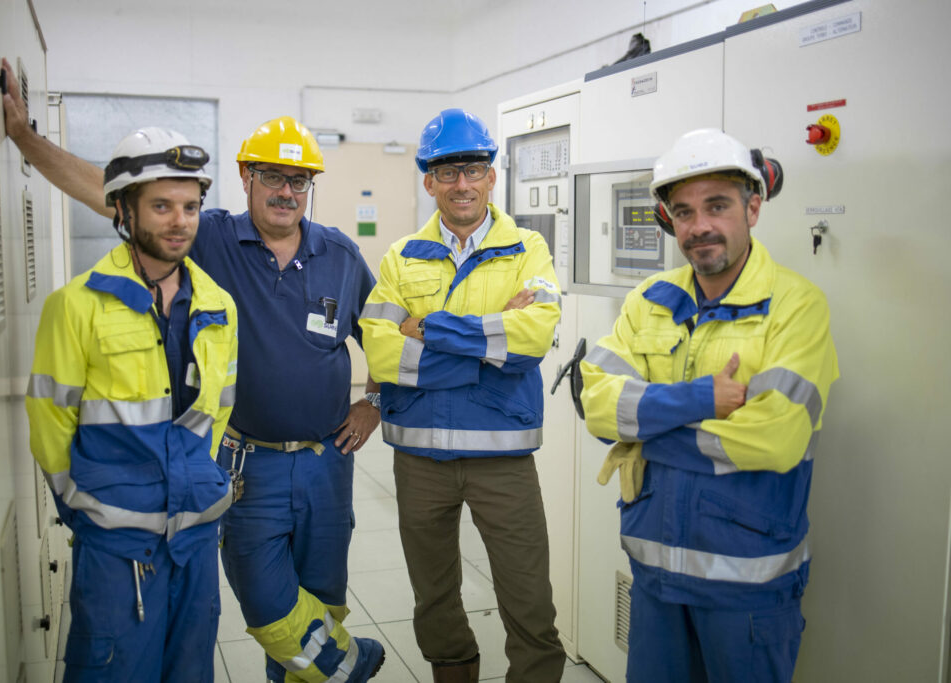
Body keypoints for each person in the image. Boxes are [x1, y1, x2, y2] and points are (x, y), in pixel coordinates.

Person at [2, 58, 386, 682]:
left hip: (326, 464)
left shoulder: (339, 253)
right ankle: (345, 666)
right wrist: (25, 139)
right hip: (244, 465)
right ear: (245, 176)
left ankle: (317, 669)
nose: (287, 191)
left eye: (300, 180)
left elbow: (386, 334)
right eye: (272, 177)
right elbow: (107, 187)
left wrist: (378, 400)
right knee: (266, 600)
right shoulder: (205, 235)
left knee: (324, 596)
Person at [579, 128, 839, 682]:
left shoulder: (796, 307)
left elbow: (774, 439)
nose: (699, 226)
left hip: (747, 583)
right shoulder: (650, 300)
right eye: (684, 211)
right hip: (654, 572)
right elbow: (596, 404)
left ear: (752, 207)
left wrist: (644, 427)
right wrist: (701, 400)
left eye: (716, 206)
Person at [359, 108, 567, 682]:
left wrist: (427, 329)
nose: (462, 184)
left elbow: (531, 340)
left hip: (503, 457)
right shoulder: (400, 257)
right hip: (419, 459)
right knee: (434, 600)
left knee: (529, 602)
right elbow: (379, 353)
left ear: (491, 176)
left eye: (473, 169)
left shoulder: (528, 248)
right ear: (429, 181)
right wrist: (485, 345)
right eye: (447, 172)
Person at [25, 126, 239, 681]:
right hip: (116, 544)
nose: (180, 221)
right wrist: (82, 502)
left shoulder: (218, 305)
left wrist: (201, 480)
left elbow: (218, 411)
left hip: (195, 535)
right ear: (123, 211)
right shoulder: (75, 306)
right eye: (162, 206)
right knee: (113, 671)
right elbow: (50, 419)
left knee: (189, 670)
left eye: (191, 206)